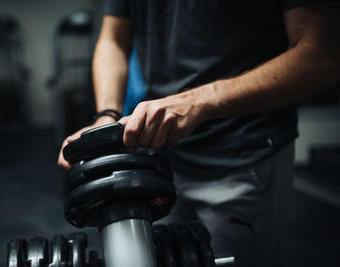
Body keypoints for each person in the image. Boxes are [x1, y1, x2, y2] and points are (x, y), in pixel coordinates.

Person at [58, 1, 340, 266]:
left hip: (242, 156)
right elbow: (113, 40)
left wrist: (199, 101)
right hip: (160, 164)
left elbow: (322, 55)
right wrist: (107, 114)